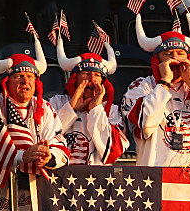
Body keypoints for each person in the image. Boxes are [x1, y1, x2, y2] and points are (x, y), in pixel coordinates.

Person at [121, 10, 190, 169]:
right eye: (168, 54)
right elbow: (145, 125)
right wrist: (164, 83)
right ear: (157, 60)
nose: (175, 59)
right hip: (156, 177)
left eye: (180, 53)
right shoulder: (140, 86)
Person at [0, 24, 70, 181]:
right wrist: (22, 156)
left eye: (30, 76)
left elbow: (59, 144)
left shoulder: (44, 107)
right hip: (1, 185)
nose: (25, 81)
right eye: (19, 76)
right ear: (7, 81)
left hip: (36, 184)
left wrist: (49, 156)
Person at [49, 36, 130, 166]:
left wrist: (96, 109)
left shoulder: (111, 110)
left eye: (97, 75)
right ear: (75, 78)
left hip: (97, 177)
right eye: (86, 73)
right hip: (59, 175)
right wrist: (71, 108)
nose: (92, 79)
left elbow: (113, 152)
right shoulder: (57, 102)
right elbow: (46, 138)